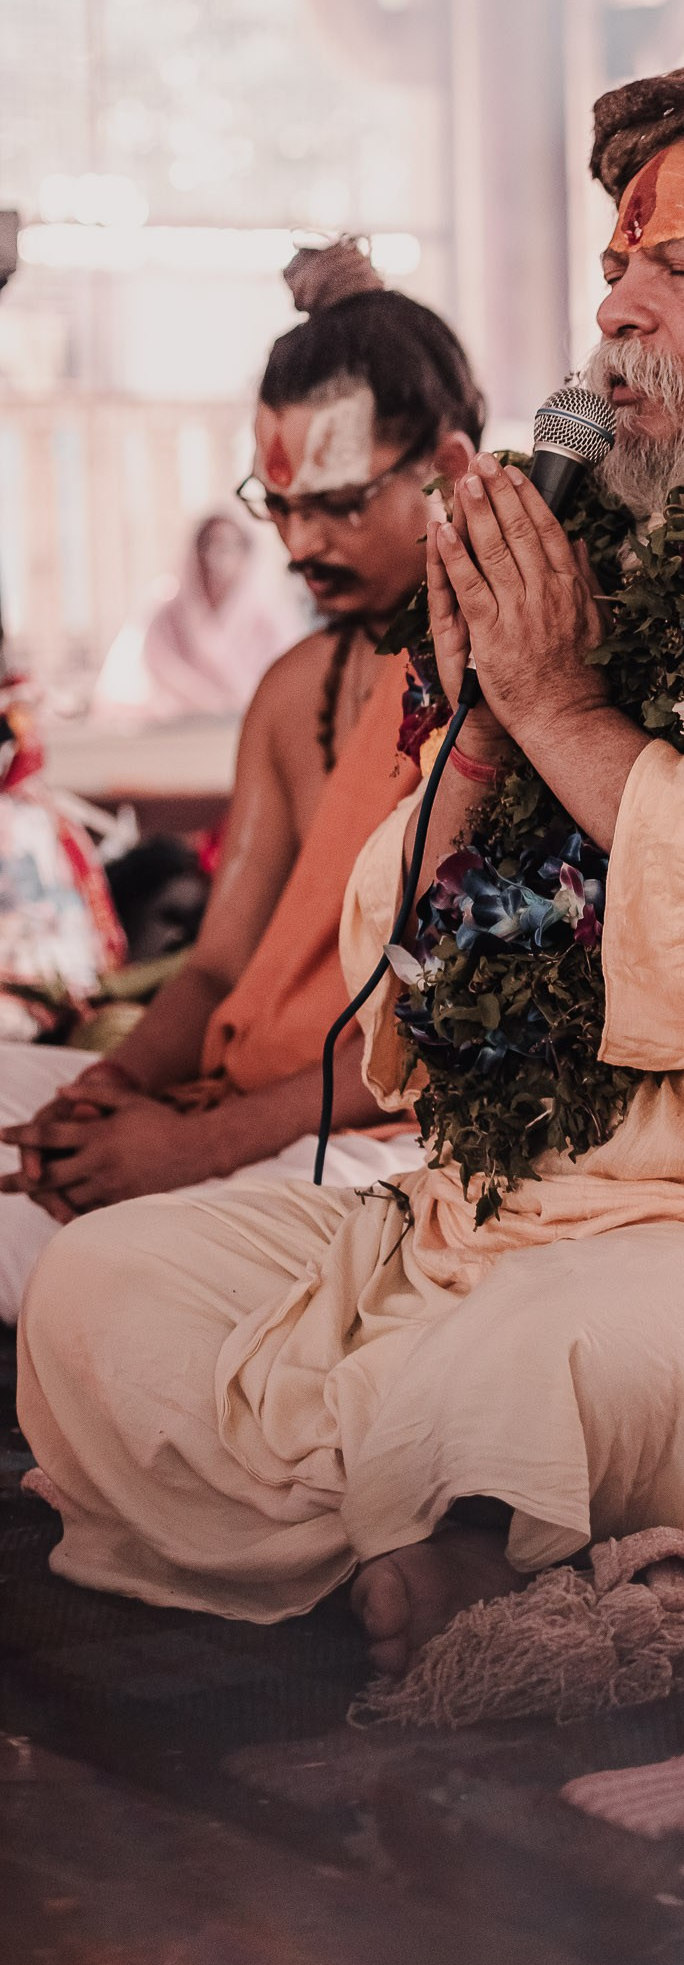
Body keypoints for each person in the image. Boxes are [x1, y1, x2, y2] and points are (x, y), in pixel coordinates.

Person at [17, 49, 684, 1694]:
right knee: (106, 1287)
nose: (618, 312)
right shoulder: (603, 562)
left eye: (683, 266)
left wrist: (555, 702)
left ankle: (441, 1507)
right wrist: (473, 726)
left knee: (535, 1363)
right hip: (512, 1202)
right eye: (615, 266)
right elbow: (406, 962)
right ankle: (454, 1523)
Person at [0, 242, 483, 1321]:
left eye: (341, 504)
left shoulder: (505, 680)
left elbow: (455, 1033)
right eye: (279, 505)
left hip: (390, 1140)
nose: (301, 544)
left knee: (127, 1270)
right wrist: (108, 1094)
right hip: (235, 1097)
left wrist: (191, 1146)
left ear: (449, 467)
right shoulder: (291, 688)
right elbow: (218, 969)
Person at [92, 505, 301, 726]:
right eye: (207, 544)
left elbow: (284, 691)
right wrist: (213, 704)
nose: (215, 558)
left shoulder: (271, 621)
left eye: (228, 546)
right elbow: (155, 680)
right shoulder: (165, 616)